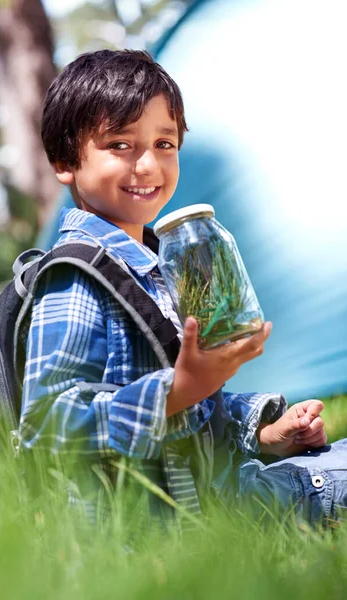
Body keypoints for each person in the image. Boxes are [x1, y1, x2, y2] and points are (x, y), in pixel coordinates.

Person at [19, 49, 347, 528]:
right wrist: (176, 390)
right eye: (121, 145)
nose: (149, 164)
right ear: (66, 160)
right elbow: (46, 425)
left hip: (211, 493)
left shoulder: (151, 263)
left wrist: (265, 431)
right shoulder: (77, 276)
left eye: (165, 143)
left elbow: (193, 412)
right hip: (165, 529)